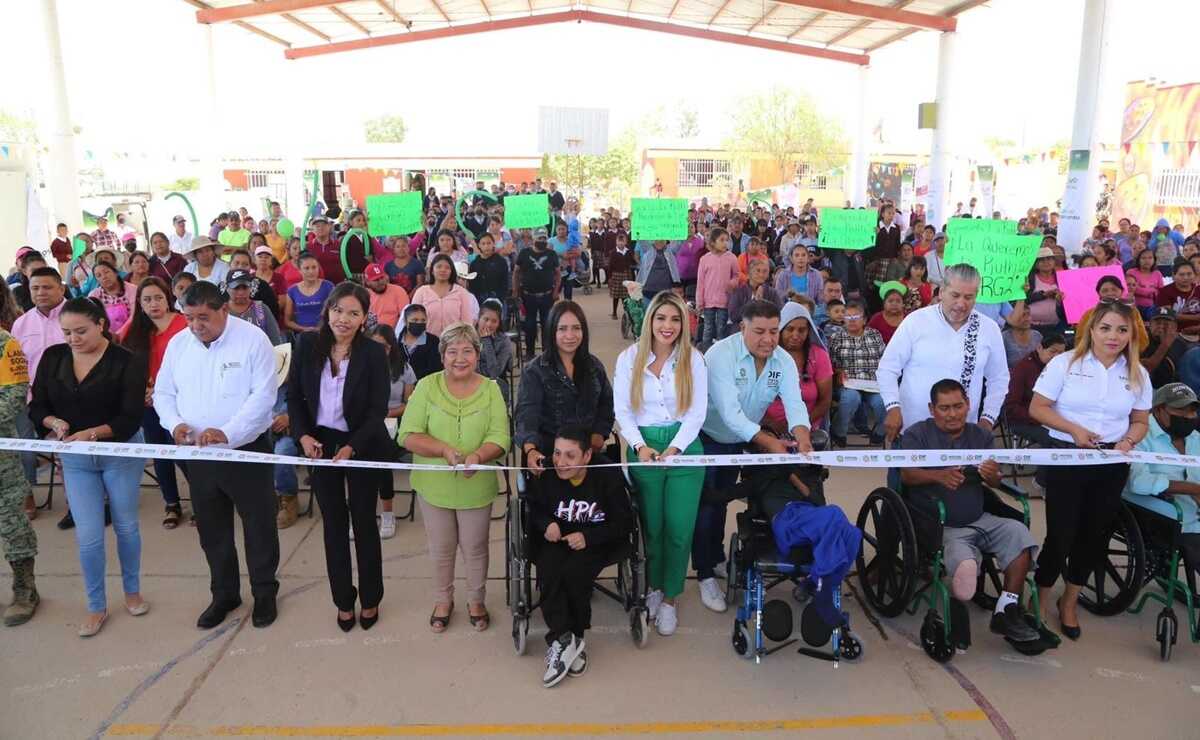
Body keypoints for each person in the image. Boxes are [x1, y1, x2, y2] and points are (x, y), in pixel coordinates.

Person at [153, 281, 280, 630]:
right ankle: (224, 594)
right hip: (198, 454)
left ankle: (265, 592)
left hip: (246, 452)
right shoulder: (180, 344)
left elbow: (263, 397)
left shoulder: (253, 340)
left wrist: (230, 433)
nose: (196, 326)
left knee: (258, 525)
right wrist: (174, 424)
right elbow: (164, 392)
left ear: (224, 309)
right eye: (190, 318)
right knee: (212, 529)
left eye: (203, 318)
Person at [1029, 299, 1151, 640]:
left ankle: (1069, 601)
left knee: (1094, 534)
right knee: (1062, 532)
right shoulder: (1065, 364)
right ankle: (1039, 596)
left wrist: (1128, 440)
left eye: (1122, 330)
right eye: (1106, 328)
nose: (1113, 336)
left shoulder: (1137, 373)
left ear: (1131, 335)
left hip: (1112, 462)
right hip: (1068, 456)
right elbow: (1038, 408)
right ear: (1091, 330)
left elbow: (1141, 420)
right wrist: (1074, 430)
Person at [898, 379, 1044, 653]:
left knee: (1019, 535)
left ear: (968, 405)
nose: (952, 414)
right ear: (932, 409)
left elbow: (996, 480)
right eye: (944, 408)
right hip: (941, 522)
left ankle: (1007, 608)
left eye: (958, 406)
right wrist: (937, 475)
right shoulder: (917, 435)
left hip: (979, 516)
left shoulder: (981, 436)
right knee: (964, 565)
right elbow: (906, 474)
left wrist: (994, 478)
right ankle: (958, 604)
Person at [31, 298, 148, 637]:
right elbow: (37, 405)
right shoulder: (53, 358)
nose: (73, 339)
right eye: (66, 332)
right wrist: (52, 421)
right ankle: (96, 605)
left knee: (126, 525)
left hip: (119, 451)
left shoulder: (127, 361)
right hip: (75, 458)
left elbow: (130, 417)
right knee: (89, 536)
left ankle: (132, 591)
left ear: (101, 324)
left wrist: (92, 433)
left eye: (81, 331)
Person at [693, 300, 814, 612]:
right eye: (759, 331)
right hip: (708, 437)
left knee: (722, 501)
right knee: (707, 504)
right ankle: (704, 574)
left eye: (774, 331)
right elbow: (730, 414)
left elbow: (794, 402)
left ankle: (717, 558)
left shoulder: (783, 360)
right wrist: (769, 443)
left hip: (739, 440)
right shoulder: (720, 355)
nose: (768, 339)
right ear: (742, 328)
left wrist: (802, 435)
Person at [288, 283, 393, 631]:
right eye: (337, 310)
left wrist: (353, 447)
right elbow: (295, 398)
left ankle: (371, 597)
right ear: (327, 311)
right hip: (319, 442)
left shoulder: (374, 354)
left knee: (363, 521)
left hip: (361, 442)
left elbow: (378, 410)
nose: (343, 319)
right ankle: (343, 600)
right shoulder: (306, 345)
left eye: (353, 313)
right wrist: (302, 435)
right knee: (333, 524)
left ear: (364, 318)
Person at [398, 322, 510, 633]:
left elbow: (501, 437)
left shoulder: (491, 389)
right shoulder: (426, 387)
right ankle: (443, 599)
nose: (459, 358)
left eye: (467, 351)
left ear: (477, 354)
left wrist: (479, 456)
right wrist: (444, 450)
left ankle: (476, 599)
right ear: (442, 356)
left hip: (477, 485)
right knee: (441, 547)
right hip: (434, 487)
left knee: (476, 547)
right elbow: (407, 435)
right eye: (452, 352)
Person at [613, 292, 706, 636]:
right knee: (651, 527)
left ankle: (670, 597)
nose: (668, 326)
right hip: (645, 448)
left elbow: (697, 411)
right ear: (650, 320)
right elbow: (622, 409)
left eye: (675, 319)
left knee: (679, 529)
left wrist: (677, 448)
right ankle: (652, 587)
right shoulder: (628, 359)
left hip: (685, 447)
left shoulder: (693, 359)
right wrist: (638, 446)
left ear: (684, 324)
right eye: (661, 318)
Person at [530, 425, 634, 687]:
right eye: (557, 453)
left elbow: (624, 523)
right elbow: (533, 508)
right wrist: (546, 524)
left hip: (598, 538)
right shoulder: (548, 474)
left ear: (587, 456)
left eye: (570, 456)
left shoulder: (607, 477)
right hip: (557, 538)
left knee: (576, 572)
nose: (561, 462)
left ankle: (570, 637)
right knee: (549, 569)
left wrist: (588, 538)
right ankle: (565, 639)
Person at [878, 264, 1010, 442]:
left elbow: (999, 378)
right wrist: (893, 407)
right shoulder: (916, 321)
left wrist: (988, 418)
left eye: (968, 297)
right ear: (941, 292)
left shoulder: (989, 328)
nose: (961, 304)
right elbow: (888, 368)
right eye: (955, 295)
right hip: (912, 429)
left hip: (963, 433)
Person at [116, 277, 190, 527]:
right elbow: (122, 363)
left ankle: (202, 502)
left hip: (181, 401)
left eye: (158, 297)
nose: (153, 303)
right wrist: (141, 389)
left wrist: (160, 389)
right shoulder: (134, 329)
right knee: (161, 454)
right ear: (140, 303)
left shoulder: (183, 324)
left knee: (184, 454)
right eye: (146, 299)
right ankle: (172, 503)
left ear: (168, 298)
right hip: (148, 405)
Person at [516, 301, 615, 468]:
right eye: (562, 329)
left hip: (589, 456)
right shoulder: (534, 372)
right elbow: (527, 415)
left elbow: (606, 405)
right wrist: (531, 450)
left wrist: (599, 433)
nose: (570, 335)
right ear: (551, 331)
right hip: (551, 457)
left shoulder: (594, 366)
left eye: (576, 328)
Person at [1123, 382, 1200, 582]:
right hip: (1164, 519)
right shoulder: (1139, 436)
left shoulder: (1195, 438)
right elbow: (1138, 482)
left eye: (1192, 412)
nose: (1188, 417)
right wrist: (1192, 489)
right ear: (1159, 410)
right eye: (1180, 411)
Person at [0, 324, 37, 626]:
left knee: (11, 522)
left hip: (2, 457)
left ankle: (25, 590)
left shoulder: (5, 343)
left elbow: (14, 395)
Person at [365, 324, 414, 539]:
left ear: (391, 347)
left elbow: (410, 404)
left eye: (383, 346)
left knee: (380, 456)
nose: (379, 350)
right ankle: (362, 514)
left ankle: (387, 513)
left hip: (395, 422)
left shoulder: (403, 369)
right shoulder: (359, 366)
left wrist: (388, 413)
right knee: (362, 459)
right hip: (366, 423)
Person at [763, 303, 833, 432]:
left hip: (808, 426)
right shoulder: (765, 353)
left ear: (809, 331)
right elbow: (751, 397)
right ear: (781, 329)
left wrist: (800, 425)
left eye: (802, 330)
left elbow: (825, 400)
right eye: (790, 329)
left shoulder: (819, 356)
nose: (795, 335)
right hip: (766, 427)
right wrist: (770, 426)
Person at [827, 299, 887, 446]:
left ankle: (880, 432)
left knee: (883, 402)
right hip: (848, 384)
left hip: (872, 383)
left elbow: (886, 360)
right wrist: (838, 372)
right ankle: (839, 432)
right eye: (848, 317)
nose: (852, 321)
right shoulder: (836, 338)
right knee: (851, 398)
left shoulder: (874, 335)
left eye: (856, 317)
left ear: (864, 319)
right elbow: (830, 364)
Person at [513, 232, 561, 359]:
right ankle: (530, 353)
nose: (542, 240)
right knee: (530, 325)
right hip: (528, 296)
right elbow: (516, 272)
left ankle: (547, 353)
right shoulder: (524, 253)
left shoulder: (551, 254)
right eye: (540, 238)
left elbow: (557, 274)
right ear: (533, 239)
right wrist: (515, 290)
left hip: (547, 296)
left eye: (544, 238)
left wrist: (556, 291)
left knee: (547, 324)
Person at [411, 254, 479, 337]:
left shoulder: (461, 292)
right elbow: (413, 319)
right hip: (426, 342)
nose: (443, 270)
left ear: (451, 271)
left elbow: (467, 322)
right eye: (439, 266)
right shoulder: (421, 291)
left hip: (453, 342)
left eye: (447, 267)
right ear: (432, 270)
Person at [695, 227, 738, 350]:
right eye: (722, 240)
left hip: (724, 301)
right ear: (713, 242)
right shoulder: (704, 259)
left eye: (727, 240)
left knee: (721, 329)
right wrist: (699, 302)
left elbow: (736, 275)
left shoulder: (731, 257)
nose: (725, 243)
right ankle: (706, 353)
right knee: (708, 328)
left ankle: (721, 353)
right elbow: (701, 282)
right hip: (708, 301)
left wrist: (732, 283)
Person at [226, 269, 283, 345]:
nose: (241, 292)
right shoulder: (220, 311)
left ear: (251, 288)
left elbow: (275, 339)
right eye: (236, 288)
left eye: (245, 287)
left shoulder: (262, 309)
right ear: (227, 288)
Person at [475, 299, 513, 406]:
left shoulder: (504, 341)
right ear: (479, 318)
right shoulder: (469, 336)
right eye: (486, 319)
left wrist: (487, 341)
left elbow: (494, 373)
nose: (489, 324)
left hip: (495, 384)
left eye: (494, 321)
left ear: (499, 323)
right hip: (470, 382)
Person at [285, 254, 334, 335]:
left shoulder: (328, 286)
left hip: (325, 333)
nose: (311, 271)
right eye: (306, 268)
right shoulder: (292, 290)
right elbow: (287, 321)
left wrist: (321, 328)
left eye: (314, 267)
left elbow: (336, 312)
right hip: (302, 335)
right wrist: (304, 329)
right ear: (299, 270)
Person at [728, 259, 781, 329]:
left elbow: (779, 313)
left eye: (765, 271)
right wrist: (754, 302)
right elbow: (733, 316)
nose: (761, 274)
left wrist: (762, 303)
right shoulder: (739, 291)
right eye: (758, 271)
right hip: (742, 330)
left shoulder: (772, 293)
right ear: (749, 272)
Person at [87, 262, 136, 335]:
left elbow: (134, 315)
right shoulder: (94, 295)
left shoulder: (132, 289)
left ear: (115, 273)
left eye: (106, 272)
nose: (104, 277)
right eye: (99, 275)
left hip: (132, 333)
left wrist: (119, 334)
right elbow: (93, 320)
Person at [1155, 259, 1200, 338]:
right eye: (1181, 274)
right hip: (1175, 334)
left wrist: (1197, 328)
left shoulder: (1198, 289)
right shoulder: (1165, 292)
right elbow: (1167, 316)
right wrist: (1196, 318)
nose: (1186, 278)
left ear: (1195, 275)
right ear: (1173, 275)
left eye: (1189, 274)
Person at [1025, 247, 1064, 334]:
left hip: (1056, 327)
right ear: (1036, 264)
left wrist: (1059, 300)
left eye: (1049, 259)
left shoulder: (1062, 278)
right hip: (1030, 326)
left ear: (1054, 261)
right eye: (1041, 260)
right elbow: (1022, 300)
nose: (1046, 262)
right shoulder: (1029, 279)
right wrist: (1043, 295)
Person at [362, 263, 409, 330]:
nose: (380, 282)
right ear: (367, 282)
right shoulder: (364, 294)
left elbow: (405, 317)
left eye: (382, 277)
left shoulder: (398, 291)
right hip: (369, 334)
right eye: (376, 280)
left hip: (393, 335)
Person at [469, 233, 510, 308]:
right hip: (479, 301)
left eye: (489, 243)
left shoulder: (501, 261)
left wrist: (500, 299)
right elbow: (472, 285)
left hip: (498, 300)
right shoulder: (474, 264)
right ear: (479, 245)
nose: (486, 246)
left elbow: (505, 282)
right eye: (483, 244)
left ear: (493, 244)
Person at [305, 215, 347, 285]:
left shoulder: (339, 245)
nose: (321, 228)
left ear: (329, 227)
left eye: (324, 225)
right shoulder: (307, 247)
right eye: (317, 226)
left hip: (337, 287)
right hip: (316, 287)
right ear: (312, 229)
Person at [1002, 301, 1043, 368]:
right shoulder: (1004, 338)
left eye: (1028, 314)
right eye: (1023, 315)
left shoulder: (1037, 336)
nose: (1027, 319)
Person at [606, 232, 635, 319]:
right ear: (616, 242)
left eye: (623, 241)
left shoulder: (628, 251)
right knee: (616, 296)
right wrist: (609, 278)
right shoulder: (613, 252)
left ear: (626, 242)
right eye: (619, 241)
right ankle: (614, 312)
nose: (621, 243)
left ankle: (626, 313)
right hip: (616, 276)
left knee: (626, 296)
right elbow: (610, 266)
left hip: (627, 275)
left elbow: (632, 262)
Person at [1129, 247, 1163, 318]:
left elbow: (1161, 291)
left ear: (1154, 260)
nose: (1147, 261)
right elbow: (1129, 288)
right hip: (1134, 306)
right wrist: (1150, 292)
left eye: (1150, 258)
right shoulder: (1131, 272)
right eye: (1143, 258)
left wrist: (1141, 289)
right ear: (1138, 260)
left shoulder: (1157, 273)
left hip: (1152, 307)